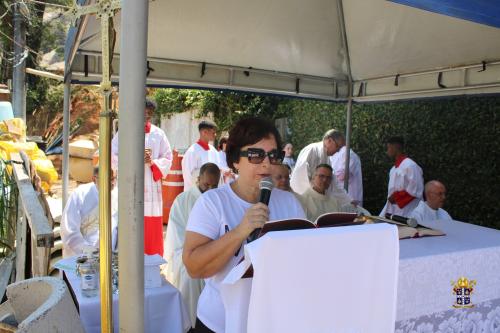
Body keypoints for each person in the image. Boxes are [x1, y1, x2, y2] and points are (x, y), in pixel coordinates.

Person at [183, 117, 306, 333]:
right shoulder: (213, 203)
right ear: (235, 160)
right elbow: (194, 267)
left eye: (273, 155)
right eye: (256, 155)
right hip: (218, 322)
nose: (267, 163)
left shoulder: (290, 204)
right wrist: (241, 230)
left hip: (271, 320)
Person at [111, 98, 173, 256]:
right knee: (130, 221)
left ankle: (152, 261)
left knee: (150, 226)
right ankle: (129, 260)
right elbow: (113, 154)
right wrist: (133, 158)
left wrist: (152, 162)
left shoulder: (158, 134)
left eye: (149, 114)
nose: (146, 117)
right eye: (143, 113)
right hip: (131, 185)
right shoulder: (125, 131)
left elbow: (168, 158)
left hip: (151, 188)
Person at [164, 163, 221, 326]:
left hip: (216, 252)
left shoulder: (220, 199)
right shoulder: (183, 201)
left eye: (214, 186)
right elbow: (178, 238)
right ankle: (191, 324)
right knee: (190, 276)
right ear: (198, 180)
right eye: (206, 185)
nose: (210, 190)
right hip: (187, 253)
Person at [61, 167, 118, 258]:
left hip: (110, 255)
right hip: (81, 256)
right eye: (107, 179)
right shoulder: (80, 194)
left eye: (113, 179)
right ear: (94, 179)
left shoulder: (117, 194)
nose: (111, 183)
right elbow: (69, 229)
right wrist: (88, 250)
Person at [290, 129, 352, 206]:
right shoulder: (311, 150)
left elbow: (333, 182)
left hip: (317, 200)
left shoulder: (327, 158)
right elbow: (300, 177)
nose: (338, 151)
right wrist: (313, 196)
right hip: (303, 199)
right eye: (338, 147)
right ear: (329, 140)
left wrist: (348, 200)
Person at [380, 136, 423, 217]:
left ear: (395, 147)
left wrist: (396, 198)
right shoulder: (393, 169)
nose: (387, 151)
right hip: (395, 212)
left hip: (409, 213)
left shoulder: (410, 165)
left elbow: (416, 190)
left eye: (388, 148)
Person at [182, 120, 222, 191]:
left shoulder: (213, 150)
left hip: (211, 191)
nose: (215, 135)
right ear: (204, 132)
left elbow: (219, 167)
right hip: (197, 193)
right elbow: (188, 176)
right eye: (213, 132)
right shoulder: (192, 151)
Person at [329, 132, 363, 206]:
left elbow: (343, 175)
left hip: (350, 198)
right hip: (340, 198)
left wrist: (330, 175)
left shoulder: (349, 154)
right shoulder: (335, 154)